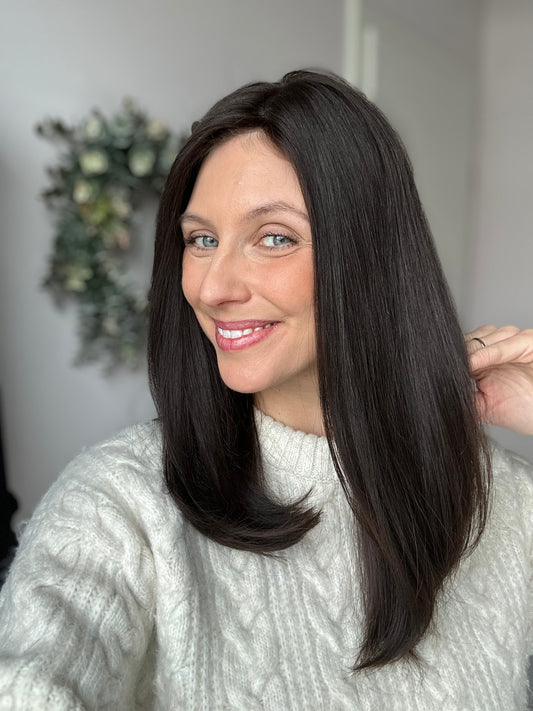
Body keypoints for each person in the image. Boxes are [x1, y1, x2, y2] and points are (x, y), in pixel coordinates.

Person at [0, 70, 532, 710]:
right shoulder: (120, 503)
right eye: (201, 240)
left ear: (370, 257)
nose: (213, 287)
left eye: (274, 238)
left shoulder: (509, 503)